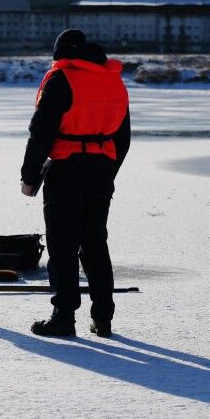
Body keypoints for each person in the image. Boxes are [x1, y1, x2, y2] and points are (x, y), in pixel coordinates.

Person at [21, 29, 131, 337]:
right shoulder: (113, 79)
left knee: (63, 245)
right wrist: (108, 170)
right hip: (101, 171)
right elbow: (123, 137)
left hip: (66, 170)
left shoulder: (60, 79)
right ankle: (103, 317)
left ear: (60, 55)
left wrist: (29, 178)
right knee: (95, 242)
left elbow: (40, 134)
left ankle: (63, 317)